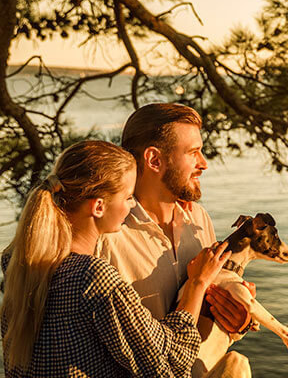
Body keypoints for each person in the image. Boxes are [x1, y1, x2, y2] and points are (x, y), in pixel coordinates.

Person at [0, 140, 231, 378]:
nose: (132, 206)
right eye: (129, 197)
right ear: (98, 206)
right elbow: (170, 362)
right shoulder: (92, 277)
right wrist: (197, 284)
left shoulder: (20, 262)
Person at [98, 103, 253, 377]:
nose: (203, 163)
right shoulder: (109, 235)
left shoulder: (199, 220)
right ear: (154, 160)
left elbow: (209, 315)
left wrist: (236, 323)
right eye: (193, 153)